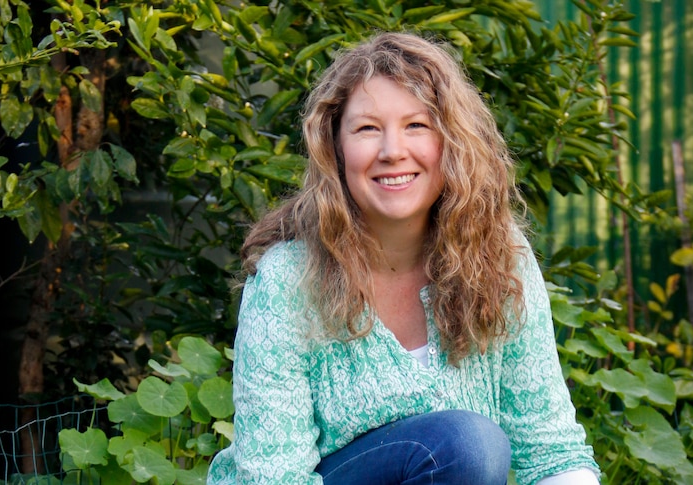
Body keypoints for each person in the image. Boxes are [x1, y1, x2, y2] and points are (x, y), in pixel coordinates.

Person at [207, 32, 600, 485]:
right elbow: (272, 478)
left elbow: (552, 449)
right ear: (335, 148)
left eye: (416, 125)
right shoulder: (288, 281)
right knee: (466, 445)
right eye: (367, 129)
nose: (393, 151)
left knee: (470, 447)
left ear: (452, 142)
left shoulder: (499, 259)